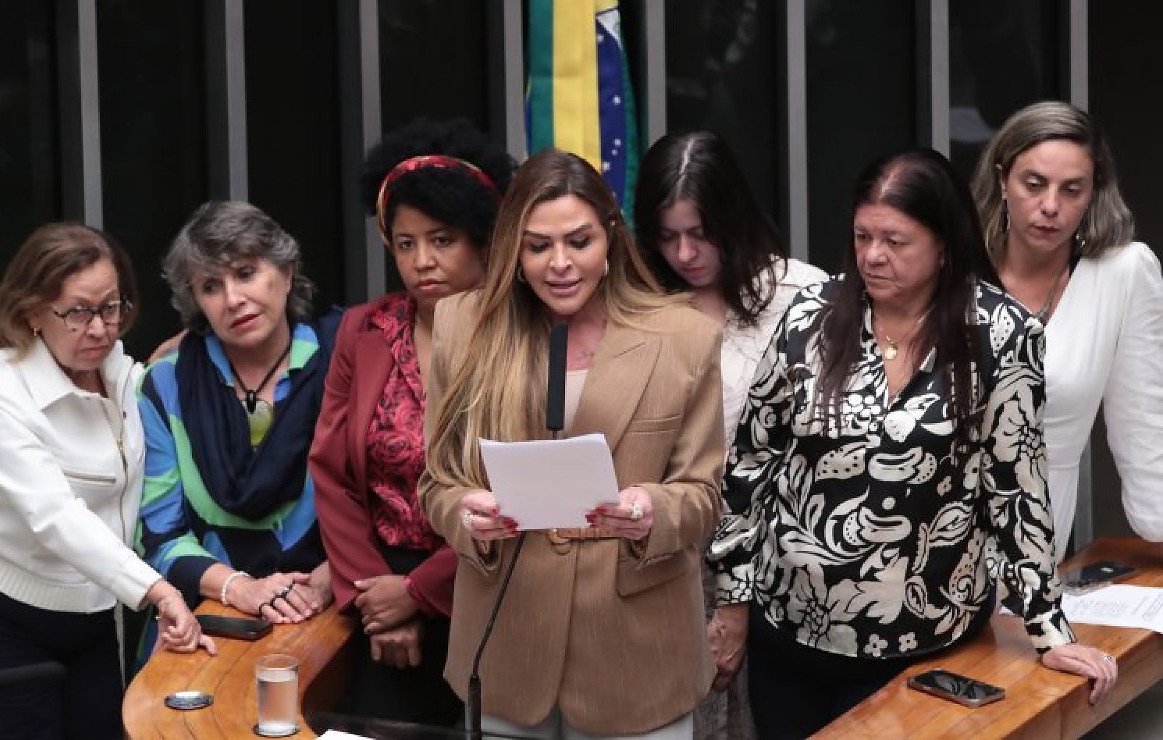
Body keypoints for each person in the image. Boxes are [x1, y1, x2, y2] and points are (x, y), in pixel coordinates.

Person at [708, 149, 1118, 739]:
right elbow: (751, 463)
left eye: (895, 241)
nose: (873, 256)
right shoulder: (810, 316)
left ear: (943, 243)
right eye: (863, 236)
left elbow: (1018, 488)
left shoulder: (1000, 335)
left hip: (924, 643)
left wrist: (1047, 629)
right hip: (790, 630)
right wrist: (732, 601)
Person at [420, 148, 725, 739]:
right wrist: (466, 514)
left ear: (611, 237)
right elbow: (438, 481)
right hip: (507, 642)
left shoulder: (684, 337)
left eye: (579, 242)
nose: (559, 264)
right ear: (514, 250)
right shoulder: (463, 326)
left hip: (636, 657)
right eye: (538, 247)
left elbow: (703, 495)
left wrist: (653, 511)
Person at [0, 223, 213, 739]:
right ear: (32, 312)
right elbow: (55, 516)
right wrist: (157, 590)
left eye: (111, 307)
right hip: (0, 616)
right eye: (77, 312)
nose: (100, 328)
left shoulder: (120, 370)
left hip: (93, 610)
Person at [309, 118, 515, 725]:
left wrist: (419, 594)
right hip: (381, 589)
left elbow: (524, 492)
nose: (422, 261)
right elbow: (332, 473)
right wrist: (378, 600)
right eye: (405, 244)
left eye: (442, 240)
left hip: (493, 585)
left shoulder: (522, 337)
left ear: (482, 241)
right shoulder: (364, 330)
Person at [634, 132, 827, 740]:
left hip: (779, 566)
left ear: (734, 217)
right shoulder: (637, 301)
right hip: (665, 561)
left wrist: (738, 602)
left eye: (701, 232)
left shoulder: (802, 296)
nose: (685, 253)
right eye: (667, 236)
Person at [136, 201, 337, 651]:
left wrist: (330, 579)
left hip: (336, 613)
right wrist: (240, 588)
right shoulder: (164, 385)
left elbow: (386, 507)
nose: (233, 299)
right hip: (204, 625)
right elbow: (158, 536)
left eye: (246, 273)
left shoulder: (345, 362)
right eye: (211, 286)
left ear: (286, 272)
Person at [971, 100, 1163, 561]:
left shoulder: (1121, 273)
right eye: (1034, 184)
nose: (1050, 206)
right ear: (1002, 180)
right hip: (918, 534)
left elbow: (1142, 420)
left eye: (1072, 189)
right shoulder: (952, 268)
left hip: (1035, 546)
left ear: (1094, 193)